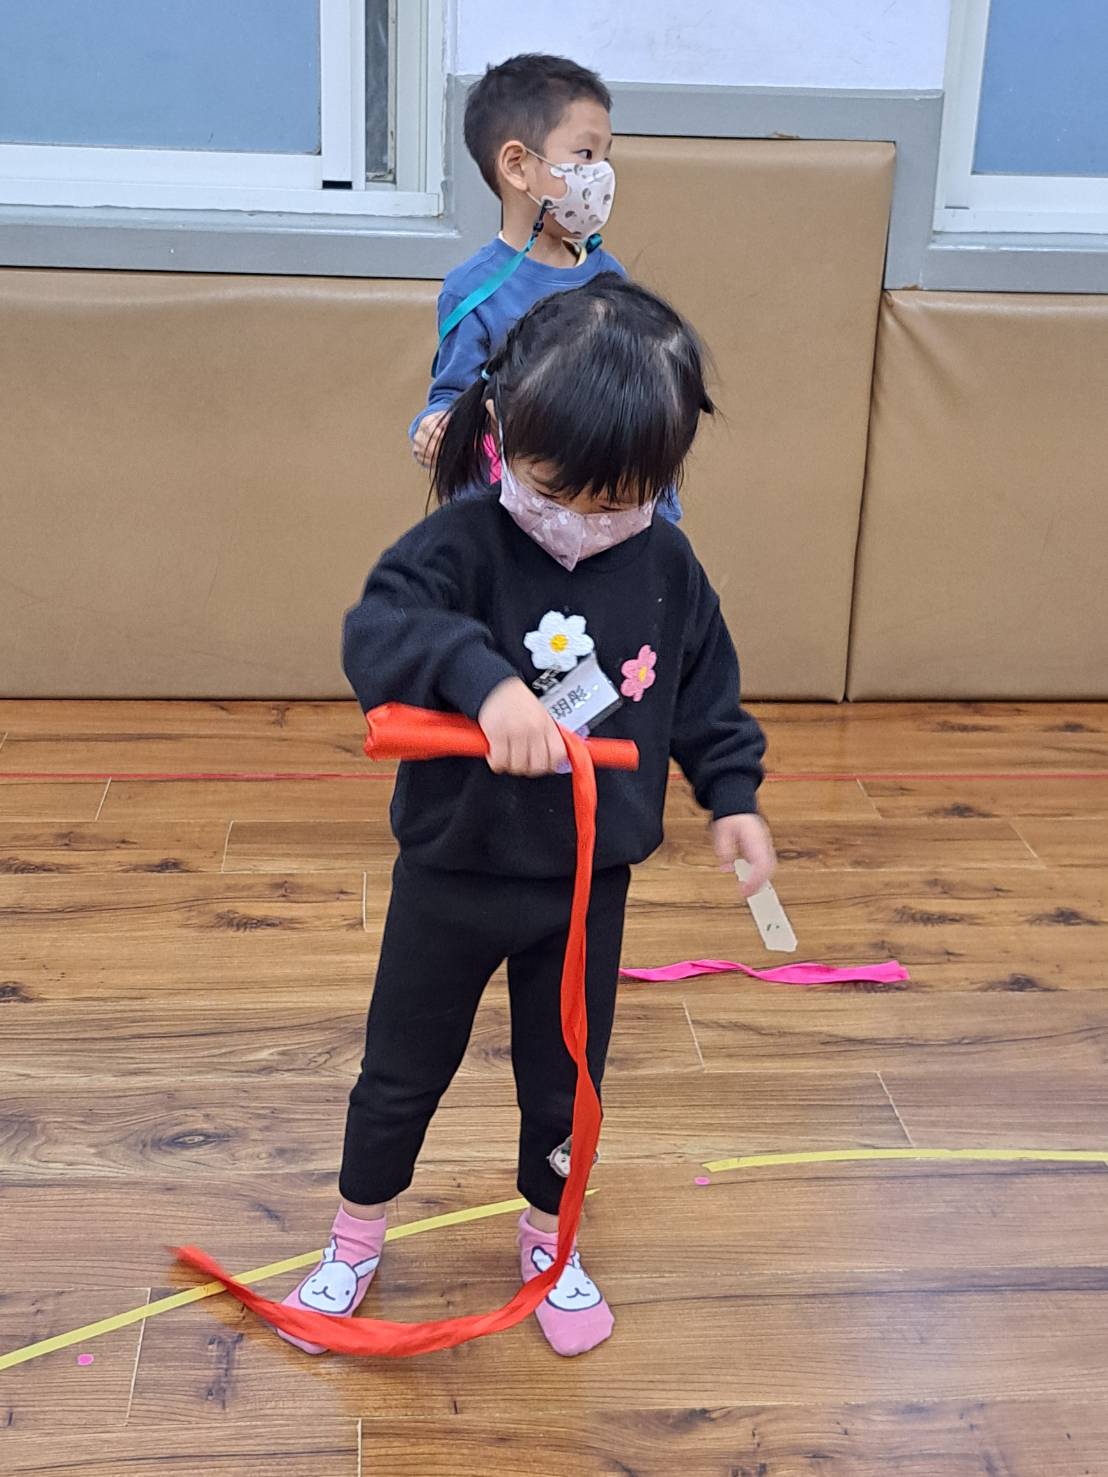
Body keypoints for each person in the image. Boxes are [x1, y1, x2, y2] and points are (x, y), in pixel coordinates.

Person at [281, 275, 774, 1359]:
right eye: (559, 491)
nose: (583, 522)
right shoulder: (462, 543)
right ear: (503, 433)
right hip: (453, 870)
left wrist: (732, 794)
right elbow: (380, 629)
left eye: (619, 501)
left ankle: (551, 1241)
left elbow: (705, 694)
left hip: (585, 883)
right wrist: (483, 680)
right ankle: (354, 1238)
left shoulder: (670, 565)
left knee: (567, 1083)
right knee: (401, 1067)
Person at [409, 52, 683, 521]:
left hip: (604, 522)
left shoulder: (610, 280)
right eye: (585, 155)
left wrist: (661, 520)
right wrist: (432, 428)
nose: (601, 174)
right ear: (517, 165)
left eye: (605, 156)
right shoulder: (473, 290)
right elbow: (452, 399)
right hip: (509, 526)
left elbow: (640, 403)